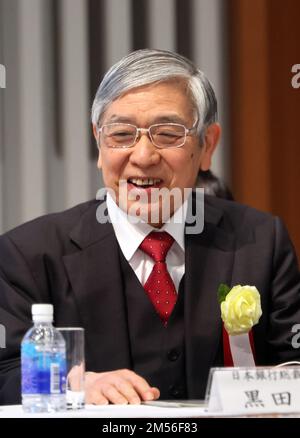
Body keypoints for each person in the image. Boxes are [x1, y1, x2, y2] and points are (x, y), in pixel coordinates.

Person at [0, 49, 300, 406]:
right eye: (122, 134)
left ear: (207, 146)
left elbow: (292, 361)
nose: (143, 157)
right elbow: (4, 372)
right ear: (99, 142)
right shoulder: (29, 254)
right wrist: (74, 384)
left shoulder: (262, 242)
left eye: (168, 133)